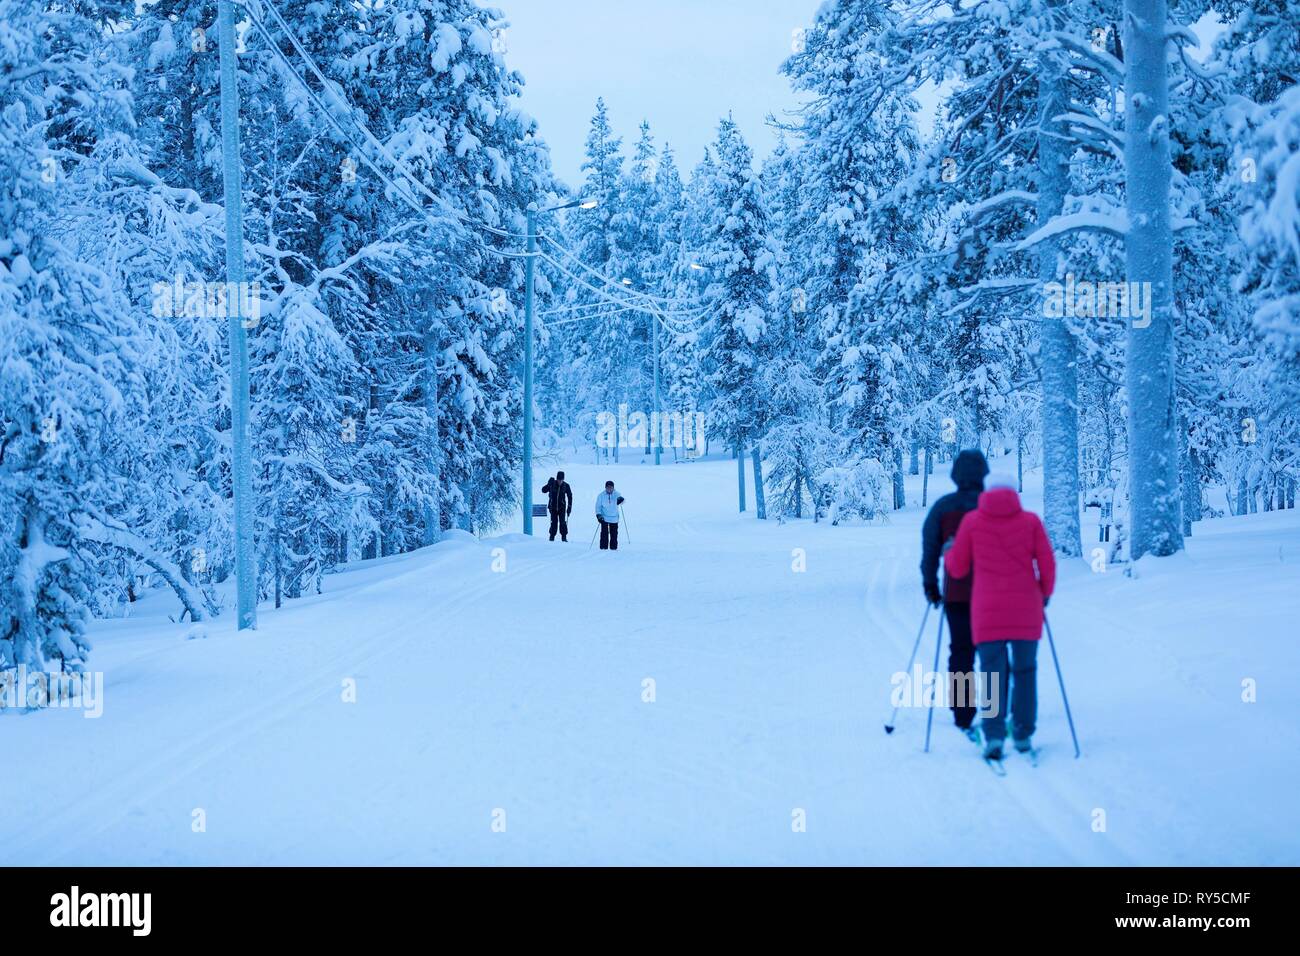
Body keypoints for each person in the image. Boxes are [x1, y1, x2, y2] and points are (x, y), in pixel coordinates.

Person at [944, 473, 1055, 761]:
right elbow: (1047, 563)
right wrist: (1044, 594)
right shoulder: (1030, 522)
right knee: (1025, 672)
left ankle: (994, 736)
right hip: (1026, 610)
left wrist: (949, 552)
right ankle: (1022, 733)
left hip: (987, 612)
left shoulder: (972, 522)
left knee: (992, 675)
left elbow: (956, 569)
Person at [919, 449, 989, 739]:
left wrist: (930, 584)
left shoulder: (943, 507)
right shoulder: (994, 504)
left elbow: (930, 548)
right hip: (993, 593)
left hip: (956, 592)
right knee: (992, 651)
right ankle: (995, 708)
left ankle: (963, 712)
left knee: (961, 650)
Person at [541, 471, 573, 542]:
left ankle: (564, 537)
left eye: (561, 480)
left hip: (562, 507)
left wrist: (569, 508)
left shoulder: (566, 485)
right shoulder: (552, 484)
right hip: (553, 507)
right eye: (558, 479)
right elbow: (543, 490)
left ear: (563, 479)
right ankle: (552, 537)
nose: (560, 481)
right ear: (557, 478)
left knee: (562, 523)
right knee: (554, 523)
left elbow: (570, 496)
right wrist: (548, 484)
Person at [595, 481, 624, 551]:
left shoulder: (617, 494)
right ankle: (603, 548)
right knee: (604, 534)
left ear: (613, 488)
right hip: (604, 518)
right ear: (605, 488)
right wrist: (598, 515)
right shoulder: (601, 495)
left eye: (611, 487)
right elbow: (597, 507)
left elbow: (622, 501)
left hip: (614, 518)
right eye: (608, 487)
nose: (609, 489)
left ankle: (613, 549)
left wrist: (621, 500)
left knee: (614, 535)